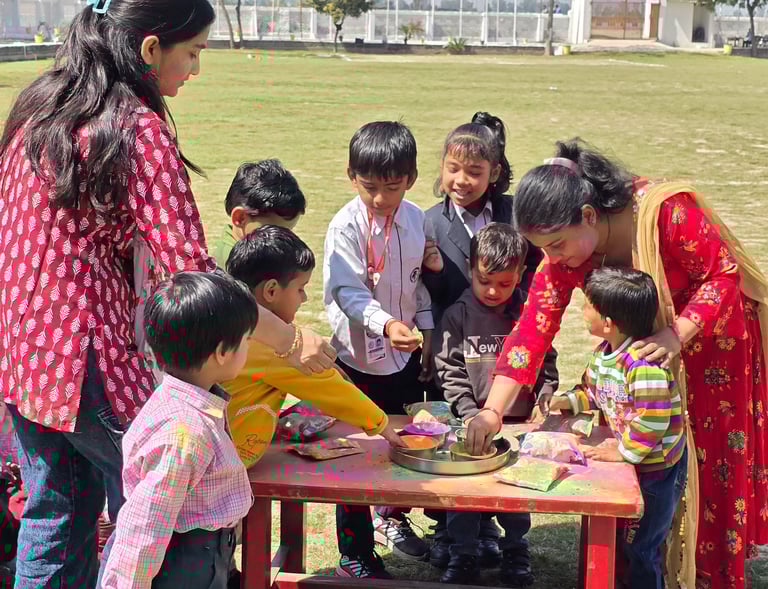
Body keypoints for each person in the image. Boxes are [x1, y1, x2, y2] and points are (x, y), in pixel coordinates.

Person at [0, 1, 334, 586]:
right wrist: (290, 338)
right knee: (170, 510)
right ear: (151, 49)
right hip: (88, 358)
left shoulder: (40, 107)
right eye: (194, 52)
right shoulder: (135, 127)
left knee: (55, 513)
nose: (196, 69)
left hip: (23, 352)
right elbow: (192, 274)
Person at [466, 139, 768, 589]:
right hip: (638, 362)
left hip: (712, 346)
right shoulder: (565, 254)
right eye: (543, 249)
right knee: (641, 450)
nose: (552, 258)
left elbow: (722, 274)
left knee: (709, 464)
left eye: (556, 245)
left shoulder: (666, 212)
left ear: (589, 215)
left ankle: (708, 575)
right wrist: (492, 410)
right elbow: (532, 330)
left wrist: (676, 334)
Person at [421, 112, 558, 566]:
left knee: (504, 464)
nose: (461, 181)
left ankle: (500, 539)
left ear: (494, 173)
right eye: (453, 169)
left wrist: (522, 307)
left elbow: (539, 273)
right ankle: (453, 536)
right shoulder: (428, 222)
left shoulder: (516, 215)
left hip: (511, 338)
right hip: (457, 345)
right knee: (460, 453)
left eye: (475, 172)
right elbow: (423, 287)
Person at [323, 121, 439, 577]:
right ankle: (355, 552)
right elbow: (347, 292)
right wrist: (386, 324)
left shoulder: (416, 220)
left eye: (391, 187)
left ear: (411, 179)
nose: (379, 198)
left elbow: (418, 287)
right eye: (369, 186)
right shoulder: (345, 226)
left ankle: (392, 517)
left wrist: (424, 330)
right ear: (351, 176)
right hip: (356, 360)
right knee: (355, 453)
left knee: (406, 441)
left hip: (404, 357)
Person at [101, 271, 258, 588]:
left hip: (202, 556)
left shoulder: (189, 406)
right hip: (181, 567)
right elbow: (145, 526)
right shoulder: (184, 434)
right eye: (246, 341)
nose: (248, 348)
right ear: (222, 352)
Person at [546, 267, 687, 589]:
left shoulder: (643, 365)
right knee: (627, 539)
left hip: (657, 467)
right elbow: (594, 392)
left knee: (642, 546)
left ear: (608, 323)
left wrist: (623, 453)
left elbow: (653, 419)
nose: (582, 311)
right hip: (637, 459)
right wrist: (566, 402)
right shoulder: (604, 355)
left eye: (587, 306)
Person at [224, 225, 405, 469]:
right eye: (300, 289)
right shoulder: (273, 346)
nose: (304, 298)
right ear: (271, 291)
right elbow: (331, 390)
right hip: (231, 463)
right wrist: (383, 425)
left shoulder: (236, 326)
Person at [434, 223, 545, 586]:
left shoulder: (529, 314)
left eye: (505, 283)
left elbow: (545, 359)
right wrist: (469, 413)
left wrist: (544, 397)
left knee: (515, 493)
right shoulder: (456, 315)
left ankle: (515, 549)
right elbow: (449, 371)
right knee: (465, 494)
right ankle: (463, 554)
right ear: (471, 269)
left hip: (517, 424)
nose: (494, 291)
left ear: (521, 275)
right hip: (470, 425)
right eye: (485, 281)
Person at [212, 159, 307, 265]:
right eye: (273, 233)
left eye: (289, 232)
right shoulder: (239, 266)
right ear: (240, 218)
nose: (283, 243)